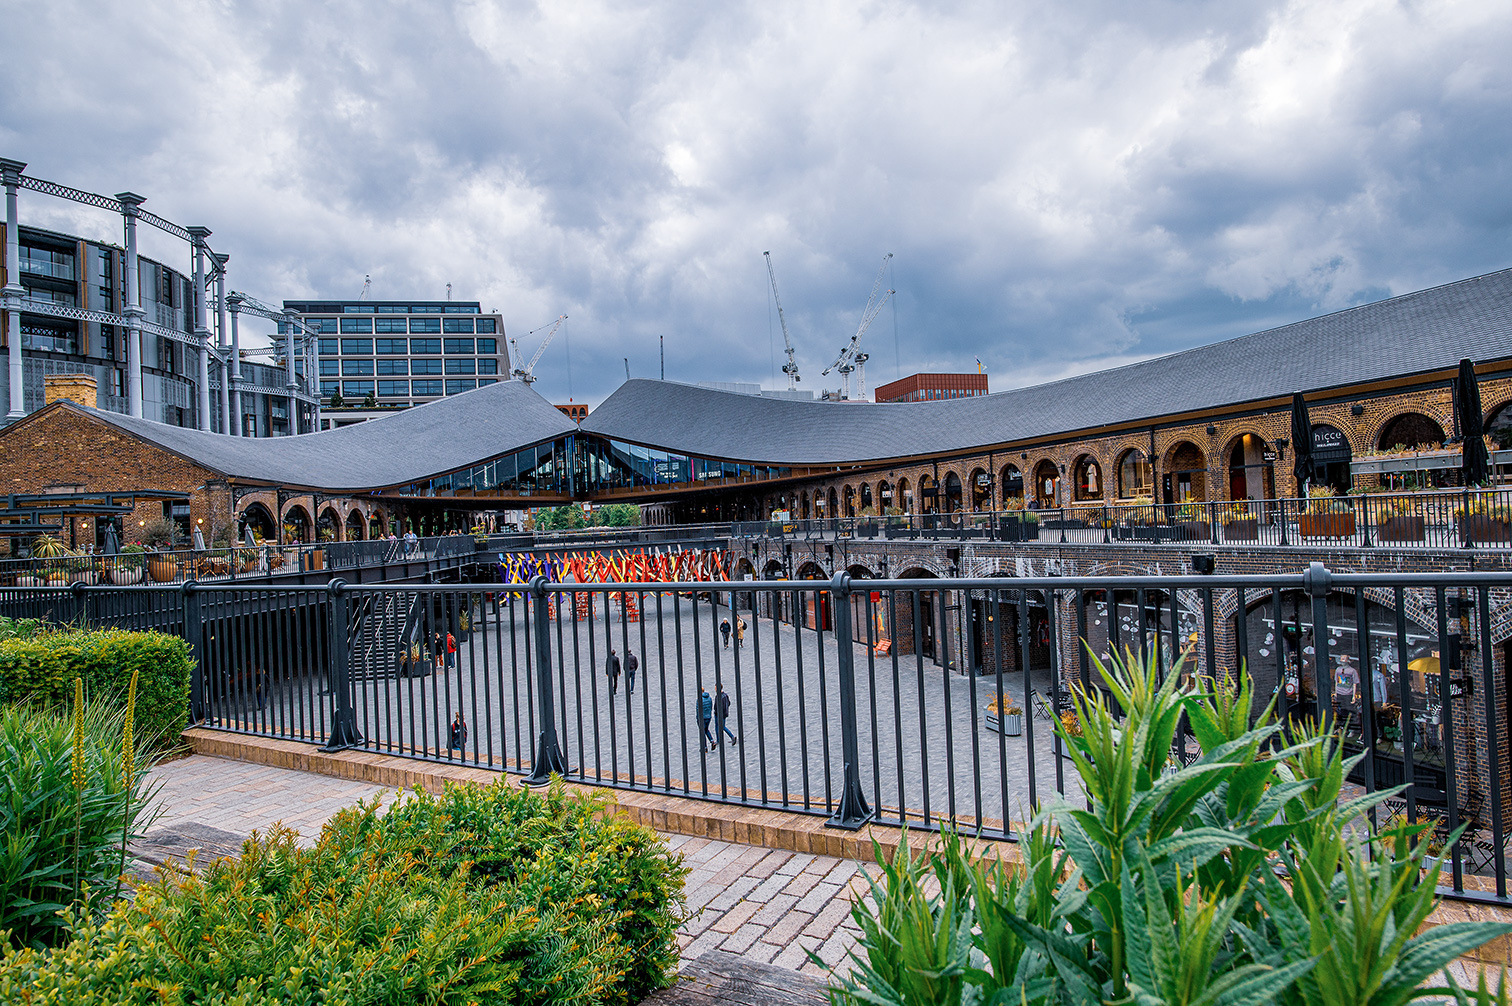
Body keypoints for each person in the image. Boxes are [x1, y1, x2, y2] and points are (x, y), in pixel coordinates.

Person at [715, 682, 737, 748]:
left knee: (719, 726)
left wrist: (716, 711)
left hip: (719, 714)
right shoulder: (725, 695)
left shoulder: (718, 696)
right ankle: (731, 737)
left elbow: (717, 706)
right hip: (725, 713)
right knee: (722, 726)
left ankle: (720, 740)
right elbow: (729, 703)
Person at [698, 687, 715, 752]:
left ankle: (705, 747)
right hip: (708, 717)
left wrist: (698, 718)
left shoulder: (699, 699)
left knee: (702, 732)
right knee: (706, 730)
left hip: (702, 718)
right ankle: (712, 741)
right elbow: (711, 707)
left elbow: (698, 709)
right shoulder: (709, 698)